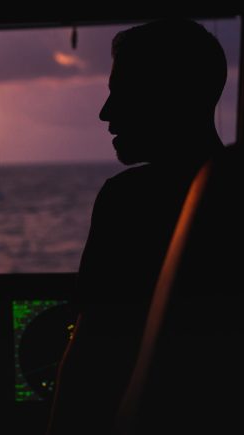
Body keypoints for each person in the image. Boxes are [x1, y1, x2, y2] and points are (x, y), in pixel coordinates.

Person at [46, 18, 227, 435]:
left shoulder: (128, 202)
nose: (105, 112)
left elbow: (89, 362)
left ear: (167, 98)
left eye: (121, 93)